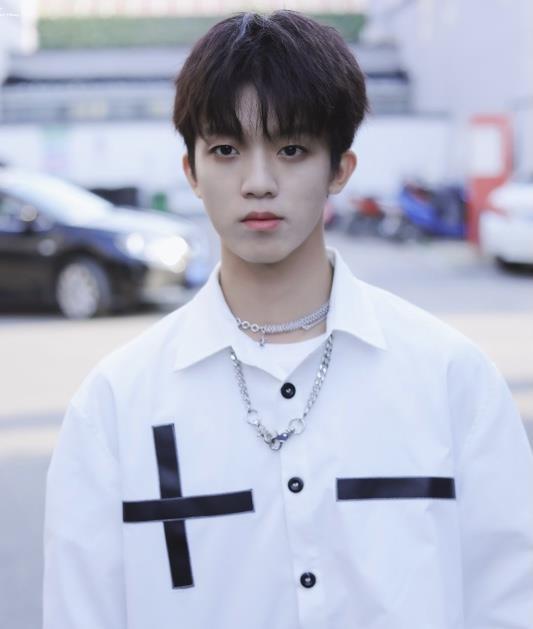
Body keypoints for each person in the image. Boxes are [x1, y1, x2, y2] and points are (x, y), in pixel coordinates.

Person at [42, 10, 533, 629]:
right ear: (191, 171)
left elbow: (510, 599)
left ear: (340, 169)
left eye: (292, 149)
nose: (258, 182)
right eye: (226, 150)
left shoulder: (450, 377)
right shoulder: (116, 404)